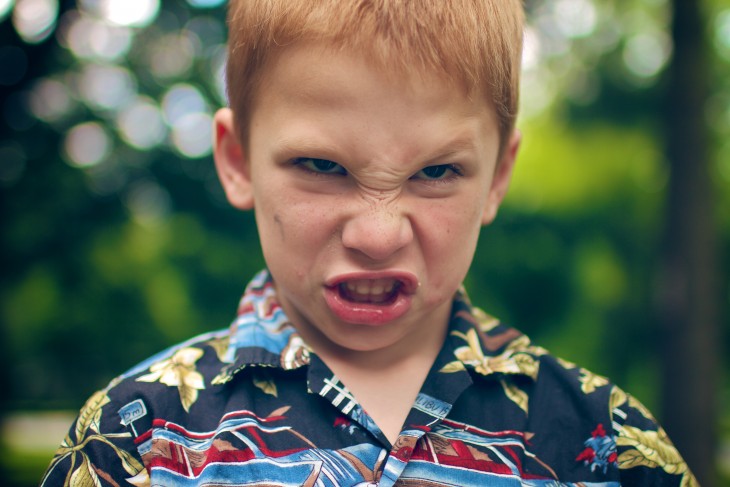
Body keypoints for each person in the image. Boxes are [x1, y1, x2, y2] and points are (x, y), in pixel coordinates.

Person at [41, 1, 697, 485]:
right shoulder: (136, 442)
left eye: (436, 172)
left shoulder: (607, 446)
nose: (379, 234)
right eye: (322, 167)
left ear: (499, 175)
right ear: (237, 159)